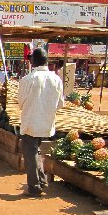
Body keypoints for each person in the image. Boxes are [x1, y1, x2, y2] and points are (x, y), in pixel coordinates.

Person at [18, 47, 64, 197]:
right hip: (46, 123)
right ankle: (41, 180)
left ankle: (34, 186)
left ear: (33, 61)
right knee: (35, 151)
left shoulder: (28, 79)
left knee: (30, 154)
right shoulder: (56, 79)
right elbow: (60, 103)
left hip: (31, 123)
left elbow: (21, 102)